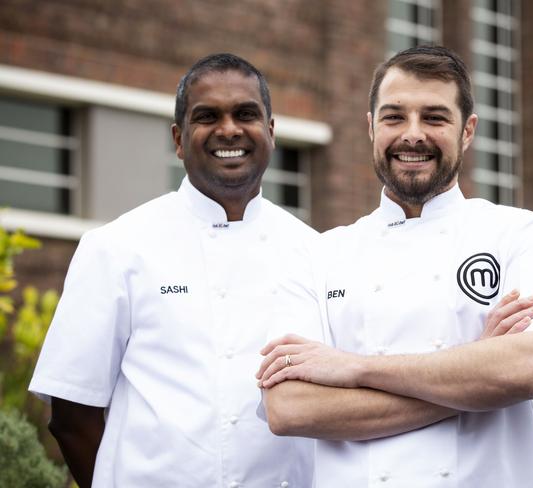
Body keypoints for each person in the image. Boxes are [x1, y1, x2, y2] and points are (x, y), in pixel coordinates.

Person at [257, 45, 533, 487]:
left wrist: (353, 368)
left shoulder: (520, 233)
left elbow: (531, 368)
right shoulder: (316, 256)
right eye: (394, 117)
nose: (413, 135)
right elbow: (290, 408)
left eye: (434, 117)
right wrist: (478, 375)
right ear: (371, 127)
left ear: (467, 131)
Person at [28, 53, 318, 488]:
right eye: (207, 116)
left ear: (271, 133)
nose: (229, 129)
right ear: (179, 139)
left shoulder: (315, 252)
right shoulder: (116, 247)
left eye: (246, 114)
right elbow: (72, 415)